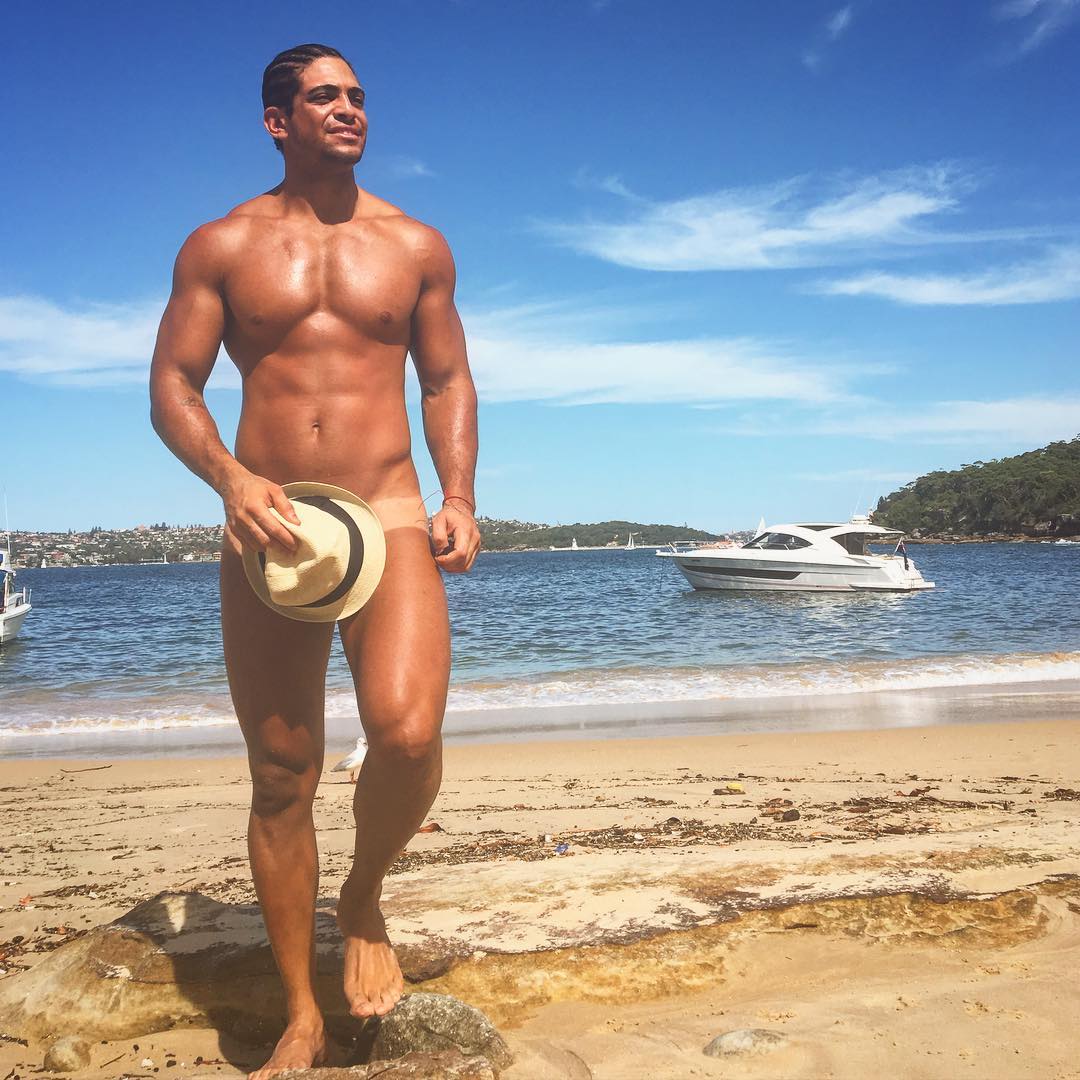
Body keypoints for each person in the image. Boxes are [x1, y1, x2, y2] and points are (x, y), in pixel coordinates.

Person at [149, 43, 480, 1079]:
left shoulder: (415, 244)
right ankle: (301, 1010)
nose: (349, 109)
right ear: (276, 121)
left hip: (389, 511)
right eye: (324, 97)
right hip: (275, 525)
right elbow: (173, 384)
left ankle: (363, 894)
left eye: (358, 96)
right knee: (280, 774)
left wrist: (459, 495)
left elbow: (446, 380)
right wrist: (230, 480)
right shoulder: (222, 245)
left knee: (408, 732)